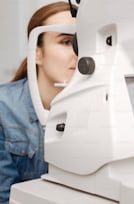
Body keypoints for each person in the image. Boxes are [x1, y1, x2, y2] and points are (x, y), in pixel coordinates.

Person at [0, 2, 77, 203]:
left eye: (82, 42)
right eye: (67, 42)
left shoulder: (100, 107)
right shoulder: (3, 108)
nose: (78, 52)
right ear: (37, 53)